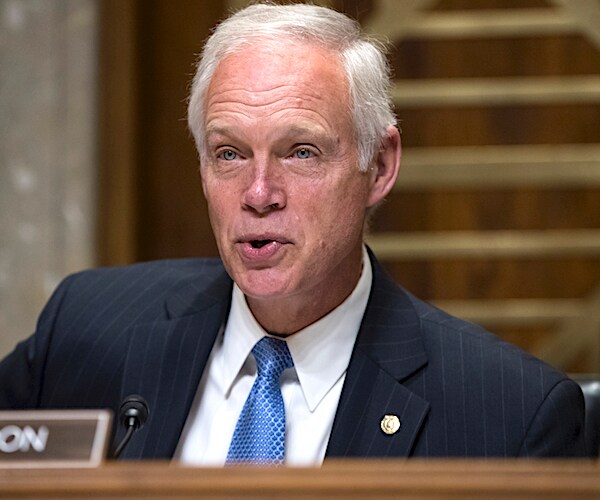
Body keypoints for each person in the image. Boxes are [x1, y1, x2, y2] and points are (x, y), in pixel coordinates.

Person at [0, 3, 587, 463]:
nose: (258, 193)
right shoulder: (86, 329)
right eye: (229, 154)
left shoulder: (508, 413)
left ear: (379, 166)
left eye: (300, 152)